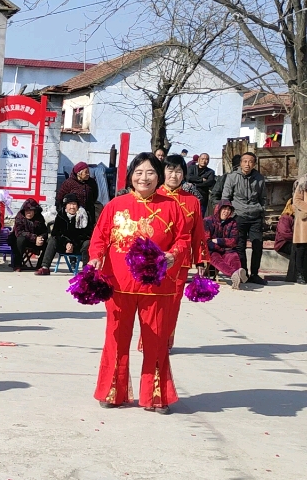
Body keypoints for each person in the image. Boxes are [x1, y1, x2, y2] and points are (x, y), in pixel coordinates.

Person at [89, 153, 190, 414]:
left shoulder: (172, 206)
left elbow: (183, 240)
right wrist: (95, 259)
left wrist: (173, 255)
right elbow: (99, 237)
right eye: (138, 172)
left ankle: (155, 395)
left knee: (155, 341)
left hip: (156, 286)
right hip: (119, 284)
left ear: (159, 177)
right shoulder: (116, 205)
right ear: (131, 175)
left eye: (150, 173)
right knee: (115, 339)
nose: (143, 178)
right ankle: (113, 391)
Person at [156, 154, 207, 349]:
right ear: (163, 172)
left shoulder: (192, 202)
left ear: (184, 175)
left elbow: (198, 232)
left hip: (180, 260)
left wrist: (201, 259)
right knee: (153, 302)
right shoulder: (154, 196)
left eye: (178, 171)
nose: (174, 175)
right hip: (155, 259)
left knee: (173, 302)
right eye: (170, 170)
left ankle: (164, 342)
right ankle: (148, 339)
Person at [221, 152, 269, 285]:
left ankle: (254, 274)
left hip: (255, 216)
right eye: (245, 161)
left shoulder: (259, 178)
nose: (247, 164)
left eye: (251, 162)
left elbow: (263, 198)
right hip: (239, 216)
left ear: (254, 164)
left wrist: (261, 211)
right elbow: (226, 198)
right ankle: (243, 273)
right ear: (241, 163)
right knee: (240, 246)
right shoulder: (232, 177)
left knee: (257, 245)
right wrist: (229, 215)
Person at [36, 193, 91, 275]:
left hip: (78, 246)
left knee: (87, 242)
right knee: (52, 239)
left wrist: (73, 244)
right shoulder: (61, 215)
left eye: (74, 204)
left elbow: (87, 234)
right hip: (63, 245)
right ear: (65, 206)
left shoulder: (84, 216)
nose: (72, 207)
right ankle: (45, 267)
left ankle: (86, 270)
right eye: (70, 204)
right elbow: (56, 233)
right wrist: (67, 243)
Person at [204, 201, 245, 288]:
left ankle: (238, 273)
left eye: (228, 210)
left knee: (234, 257)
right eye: (224, 209)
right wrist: (220, 247)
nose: (226, 212)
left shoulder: (232, 222)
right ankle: (234, 274)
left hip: (227, 249)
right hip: (212, 250)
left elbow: (234, 240)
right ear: (218, 209)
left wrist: (219, 241)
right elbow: (206, 241)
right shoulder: (207, 221)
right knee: (218, 261)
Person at [9, 198, 47, 271]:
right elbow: (19, 232)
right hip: (22, 241)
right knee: (20, 239)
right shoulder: (19, 217)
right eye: (27, 211)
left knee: (49, 242)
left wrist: (41, 238)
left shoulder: (39, 218)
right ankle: (17, 264)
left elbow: (44, 231)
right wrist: (34, 238)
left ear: (35, 211)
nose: (28, 213)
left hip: (36, 241)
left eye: (30, 211)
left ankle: (41, 265)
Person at [288, 178, 307, 284]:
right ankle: (300, 275)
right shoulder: (303, 182)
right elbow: (297, 200)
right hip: (304, 222)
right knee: (301, 249)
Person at [186, 152, 216, 217]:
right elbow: (188, 177)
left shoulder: (210, 172)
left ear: (208, 161)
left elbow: (209, 182)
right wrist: (201, 179)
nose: (204, 161)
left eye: (206, 159)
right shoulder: (191, 168)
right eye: (202, 159)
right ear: (199, 159)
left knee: (199, 218)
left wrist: (195, 184)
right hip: (189, 197)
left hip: (202, 199)